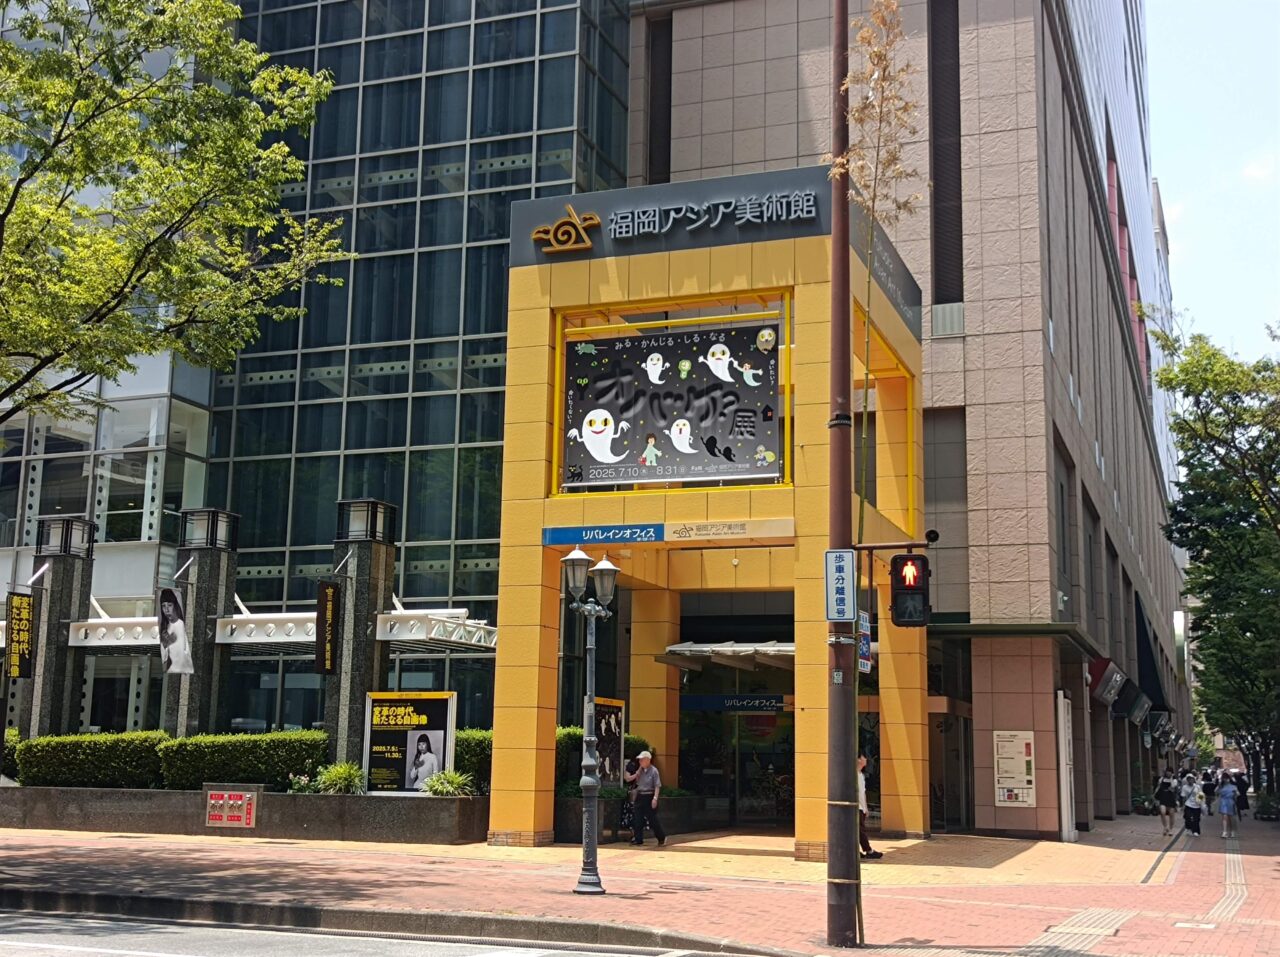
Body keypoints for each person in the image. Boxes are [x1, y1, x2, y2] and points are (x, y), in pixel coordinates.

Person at [624, 750, 666, 847]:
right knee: (638, 818)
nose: (640, 762)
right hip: (640, 795)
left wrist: (655, 798)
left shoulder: (654, 771)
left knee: (652, 819)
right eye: (639, 760)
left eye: (642, 760)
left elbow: (657, 786)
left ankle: (661, 837)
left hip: (649, 795)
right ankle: (638, 839)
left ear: (648, 760)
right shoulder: (640, 770)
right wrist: (637, 773)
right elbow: (628, 779)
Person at [158, 588, 193, 675]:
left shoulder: (181, 625)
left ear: (175, 606)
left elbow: (186, 651)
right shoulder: (164, 627)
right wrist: (165, 644)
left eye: (169, 605)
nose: (166, 610)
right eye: (163, 606)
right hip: (170, 669)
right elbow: (163, 657)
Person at [858, 753, 883, 860]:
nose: (866, 759)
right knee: (860, 830)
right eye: (863, 757)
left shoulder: (860, 775)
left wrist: (865, 807)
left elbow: (862, 793)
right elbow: (858, 793)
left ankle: (858, 851)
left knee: (858, 831)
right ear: (858, 760)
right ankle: (868, 850)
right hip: (856, 807)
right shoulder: (854, 775)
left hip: (860, 807)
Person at [1154, 769, 1180, 837]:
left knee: (1171, 814)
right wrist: (1155, 795)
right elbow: (1158, 787)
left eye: (1170, 772)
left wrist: (1171, 779)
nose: (1168, 774)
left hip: (1171, 798)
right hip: (1163, 797)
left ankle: (1171, 829)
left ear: (1172, 773)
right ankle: (1165, 827)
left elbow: (1172, 788)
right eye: (1167, 772)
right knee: (1162, 812)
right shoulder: (1161, 779)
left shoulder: (1174, 780)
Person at [619, 756, 639, 839]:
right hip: (634, 792)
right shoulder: (631, 765)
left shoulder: (647, 767)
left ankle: (638, 835)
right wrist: (636, 774)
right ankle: (634, 834)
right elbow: (627, 778)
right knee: (632, 812)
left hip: (643, 792)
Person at [1217, 771, 1239, 839]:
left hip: (1231, 802)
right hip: (1223, 802)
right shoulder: (1221, 786)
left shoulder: (1233, 786)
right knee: (1225, 816)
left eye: (1227, 778)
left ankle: (1232, 831)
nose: (1225, 779)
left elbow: (1237, 795)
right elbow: (1216, 792)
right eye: (1224, 778)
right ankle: (1224, 832)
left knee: (1231, 818)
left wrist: (1235, 794)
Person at [1181, 773, 1204, 837]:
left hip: (1197, 805)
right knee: (1188, 817)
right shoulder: (1184, 787)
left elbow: (1201, 794)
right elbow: (1183, 796)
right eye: (1188, 779)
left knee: (1196, 819)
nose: (1190, 780)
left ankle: (1195, 831)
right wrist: (1183, 805)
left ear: (1193, 779)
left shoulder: (1197, 786)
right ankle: (1188, 828)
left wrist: (1200, 802)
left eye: (1191, 779)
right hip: (1188, 804)